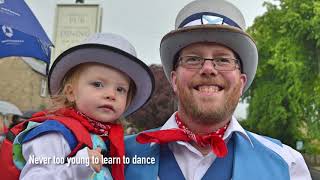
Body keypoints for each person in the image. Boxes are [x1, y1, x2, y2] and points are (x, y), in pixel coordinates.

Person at [125, 0, 312, 179]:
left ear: (241, 83)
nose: (208, 69)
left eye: (223, 60)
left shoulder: (286, 165)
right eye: (193, 59)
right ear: (174, 80)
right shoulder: (118, 157)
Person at [13, 33, 154, 180]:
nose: (111, 95)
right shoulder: (55, 134)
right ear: (71, 92)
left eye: (120, 89)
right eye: (97, 84)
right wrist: (78, 167)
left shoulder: (110, 140)